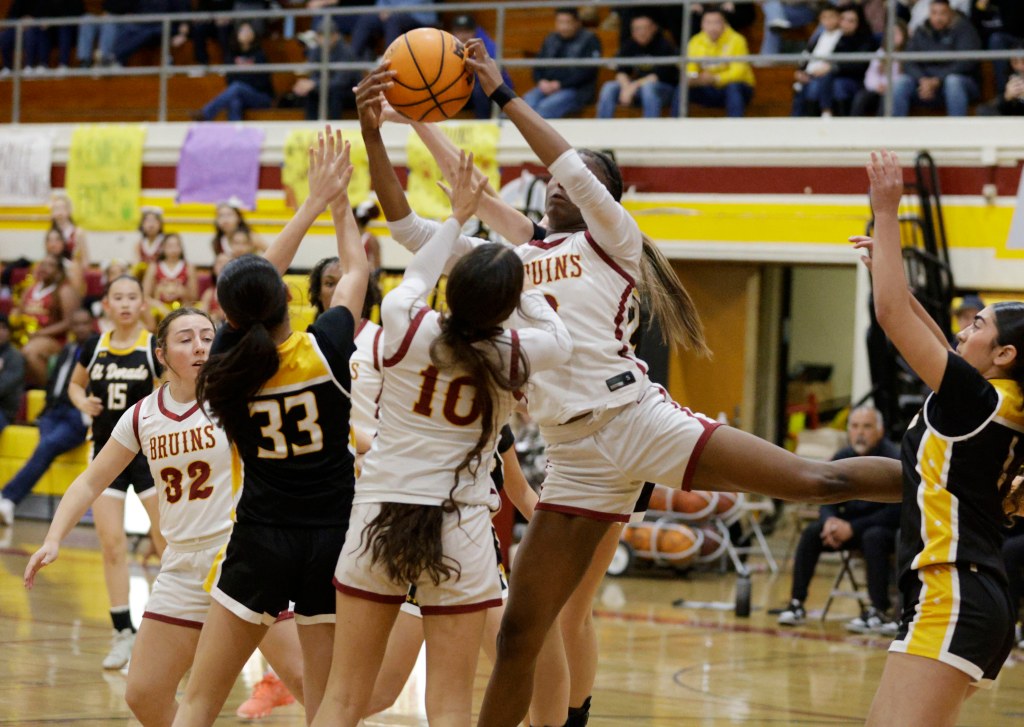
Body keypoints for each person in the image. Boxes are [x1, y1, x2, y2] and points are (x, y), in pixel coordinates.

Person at [356, 52, 902, 726]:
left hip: (636, 417)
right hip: (572, 454)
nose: (555, 183)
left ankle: (955, 476)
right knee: (520, 632)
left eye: (572, 176)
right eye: (551, 180)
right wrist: (397, 125)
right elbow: (412, 229)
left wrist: (502, 94)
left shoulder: (614, 240)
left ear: (600, 192)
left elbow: (564, 165)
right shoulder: (515, 261)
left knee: (817, 480)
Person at [310, 145, 572, 726]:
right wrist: (521, 286)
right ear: (506, 308)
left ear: (451, 292)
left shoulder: (406, 322)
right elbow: (562, 337)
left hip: (379, 514)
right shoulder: (515, 354)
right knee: (450, 703)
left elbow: (418, 272)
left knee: (343, 698)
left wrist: (457, 217)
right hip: (461, 528)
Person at [169, 127, 367, 727]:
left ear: (228, 316)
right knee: (327, 703)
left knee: (198, 701)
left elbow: (248, 290)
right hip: (332, 536)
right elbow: (356, 267)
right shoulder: (327, 347)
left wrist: (310, 203)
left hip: (259, 538)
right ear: (287, 296)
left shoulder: (224, 364)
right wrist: (335, 201)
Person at [24, 308, 306, 726]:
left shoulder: (238, 396)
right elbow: (89, 482)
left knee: (304, 679)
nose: (199, 347)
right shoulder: (142, 416)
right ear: (161, 353)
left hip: (241, 555)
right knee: (144, 693)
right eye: (186, 339)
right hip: (181, 564)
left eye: (207, 337)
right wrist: (53, 538)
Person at [858, 150, 1024, 726]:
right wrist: (886, 265)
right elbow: (922, 329)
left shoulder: (977, 401)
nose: (963, 330)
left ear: (1005, 354)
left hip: (953, 587)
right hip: (962, 590)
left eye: (978, 325)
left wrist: (886, 212)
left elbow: (891, 316)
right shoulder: (993, 400)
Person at [68, 274, 164, 670]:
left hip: (148, 456)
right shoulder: (94, 346)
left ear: (142, 303)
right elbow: (75, 386)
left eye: (132, 297)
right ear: (106, 304)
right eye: (118, 297)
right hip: (106, 456)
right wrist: (82, 402)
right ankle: (123, 631)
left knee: (167, 544)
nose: (125, 303)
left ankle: (173, 626)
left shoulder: (153, 346)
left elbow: (170, 393)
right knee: (111, 545)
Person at [777, 405, 902, 632]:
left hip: (882, 527)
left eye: (866, 427)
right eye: (854, 426)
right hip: (847, 526)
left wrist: (852, 527)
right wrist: (830, 522)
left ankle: (879, 610)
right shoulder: (843, 456)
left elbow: (897, 511)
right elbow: (826, 495)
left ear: (880, 431)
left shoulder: (893, 458)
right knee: (812, 533)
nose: (860, 433)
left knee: (874, 537)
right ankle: (796, 604)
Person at [0, 308, 93, 527]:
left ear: (92, 325)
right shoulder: (68, 348)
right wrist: (45, 410)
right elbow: (54, 381)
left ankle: (8, 498)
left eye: (84, 323)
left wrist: (87, 414)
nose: (80, 328)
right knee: (44, 450)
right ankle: (7, 502)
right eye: (76, 323)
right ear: (71, 327)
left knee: (47, 446)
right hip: (54, 412)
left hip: (77, 416)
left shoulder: (99, 351)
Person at [892, 0, 981, 117]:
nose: (938, 18)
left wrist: (938, 80)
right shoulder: (921, 31)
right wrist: (922, 80)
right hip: (924, 86)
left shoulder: (964, 29)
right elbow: (909, 60)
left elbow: (966, 62)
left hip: (958, 85)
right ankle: (895, 127)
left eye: (943, 13)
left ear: (950, 13)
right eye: (934, 13)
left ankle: (958, 127)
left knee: (953, 82)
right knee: (901, 82)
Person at [791, 4, 875, 117]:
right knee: (809, 87)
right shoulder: (832, 36)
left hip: (853, 80)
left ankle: (831, 114)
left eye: (851, 21)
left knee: (835, 87)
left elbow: (859, 65)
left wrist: (833, 67)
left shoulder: (865, 40)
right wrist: (802, 70)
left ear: (859, 23)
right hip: (825, 77)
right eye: (843, 19)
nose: (845, 24)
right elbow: (812, 54)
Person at [13, 254, 80, 387]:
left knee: (30, 352)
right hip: (26, 335)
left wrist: (40, 333)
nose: (45, 268)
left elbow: (68, 323)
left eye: (51, 265)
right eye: (43, 264)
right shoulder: (31, 289)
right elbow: (18, 312)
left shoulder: (64, 290)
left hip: (54, 338)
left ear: (59, 271)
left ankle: (49, 390)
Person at [523, 8, 602, 119]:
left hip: (576, 90)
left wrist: (560, 84)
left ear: (577, 23)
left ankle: (536, 130)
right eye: (560, 22)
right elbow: (538, 65)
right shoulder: (550, 39)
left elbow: (588, 71)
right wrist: (540, 81)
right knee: (525, 103)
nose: (564, 27)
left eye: (568, 22)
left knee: (546, 107)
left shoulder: (589, 40)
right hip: (547, 87)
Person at [596, 14, 679, 119]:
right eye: (637, 29)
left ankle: (650, 126)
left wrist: (632, 87)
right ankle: (603, 125)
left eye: (645, 28)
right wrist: (626, 87)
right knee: (609, 87)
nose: (641, 32)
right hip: (639, 89)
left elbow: (656, 77)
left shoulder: (664, 45)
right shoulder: (629, 45)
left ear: (654, 28)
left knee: (648, 87)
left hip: (664, 90)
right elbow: (621, 72)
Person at [682, 8, 755, 118]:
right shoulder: (695, 42)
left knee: (733, 87)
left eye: (716, 22)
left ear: (724, 24)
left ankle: (735, 125)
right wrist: (695, 79)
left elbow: (738, 73)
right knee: (682, 88)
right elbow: (690, 70)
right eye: (708, 22)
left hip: (737, 89)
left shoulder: (737, 40)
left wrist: (716, 78)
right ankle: (676, 124)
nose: (712, 27)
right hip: (707, 87)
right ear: (702, 25)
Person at [197, 21, 275, 122]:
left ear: (254, 35)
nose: (246, 33)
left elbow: (263, 81)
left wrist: (244, 86)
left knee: (238, 87)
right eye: (243, 31)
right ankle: (235, 130)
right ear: (237, 34)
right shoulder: (231, 56)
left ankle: (205, 114)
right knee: (235, 102)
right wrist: (245, 82)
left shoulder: (260, 55)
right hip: (240, 95)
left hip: (261, 97)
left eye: (248, 30)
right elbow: (230, 80)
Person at [291, 20, 360, 121]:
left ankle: (335, 125)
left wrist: (315, 84)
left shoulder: (346, 52)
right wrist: (310, 85)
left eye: (328, 35)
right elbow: (313, 75)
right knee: (309, 93)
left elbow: (341, 81)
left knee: (335, 93)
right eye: (321, 36)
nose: (324, 39)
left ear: (336, 36)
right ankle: (310, 125)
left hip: (348, 91)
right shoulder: (315, 51)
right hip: (325, 88)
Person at [449, 13, 513, 120]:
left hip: (494, 87)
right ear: (453, 33)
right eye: (459, 31)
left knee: (479, 90)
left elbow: (489, 74)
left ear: (474, 31)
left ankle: (483, 123)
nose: (463, 35)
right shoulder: (449, 46)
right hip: (468, 86)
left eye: (467, 31)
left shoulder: (485, 46)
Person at [851, 20, 909, 117]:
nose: (893, 37)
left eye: (896, 33)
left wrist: (888, 86)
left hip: (893, 91)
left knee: (886, 100)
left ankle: (882, 125)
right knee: (861, 97)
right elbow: (870, 74)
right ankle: (854, 123)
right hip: (877, 89)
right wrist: (876, 86)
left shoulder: (908, 54)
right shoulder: (881, 52)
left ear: (904, 35)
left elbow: (905, 78)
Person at [349, 0, 438, 60]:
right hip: (390, 14)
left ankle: (388, 61)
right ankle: (350, 60)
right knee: (366, 19)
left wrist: (393, 11)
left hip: (418, 15)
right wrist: (381, 10)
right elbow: (382, 2)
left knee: (393, 20)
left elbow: (418, 3)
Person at [142, 233, 199, 318]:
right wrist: (159, 304)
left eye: (177, 245)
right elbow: (145, 296)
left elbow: (195, 297)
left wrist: (183, 292)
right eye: (170, 246)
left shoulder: (189, 267)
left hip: (182, 310)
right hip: (159, 311)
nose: (173, 249)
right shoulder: (154, 267)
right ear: (163, 247)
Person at [0, 313, 25, 438]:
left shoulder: (15, 357)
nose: (0, 332)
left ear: (9, 332)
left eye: (4, 328)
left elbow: (2, 388)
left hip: (4, 411)